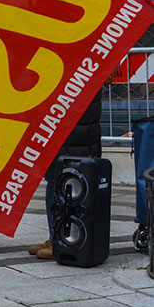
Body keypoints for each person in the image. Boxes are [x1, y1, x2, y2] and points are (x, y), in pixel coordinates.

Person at [30, 93, 103, 259]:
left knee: (68, 189)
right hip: (62, 130)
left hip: (75, 134)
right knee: (56, 184)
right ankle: (56, 236)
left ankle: (65, 240)